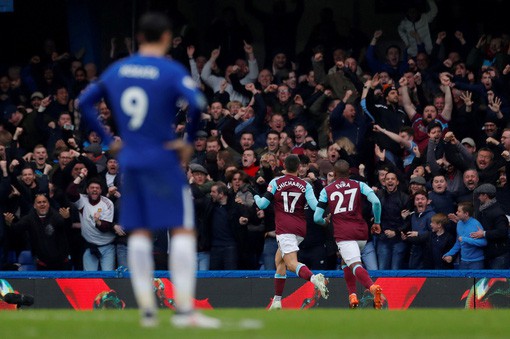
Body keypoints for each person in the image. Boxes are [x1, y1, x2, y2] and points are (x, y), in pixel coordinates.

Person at [77, 12, 220, 328]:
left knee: (139, 232)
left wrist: (106, 141)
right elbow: (197, 102)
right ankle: (183, 311)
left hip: (131, 160)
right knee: (180, 228)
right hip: (164, 159)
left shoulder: (117, 70)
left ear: (139, 38)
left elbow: (84, 103)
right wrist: (186, 139)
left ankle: (147, 311)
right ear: (167, 37)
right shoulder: (169, 69)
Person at [254, 154, 329, 310]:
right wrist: (324, 214)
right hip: (300, 229)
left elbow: (262, 204)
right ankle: (277, 301)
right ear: (298, 167)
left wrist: (254, 193)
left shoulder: (276, 182)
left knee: (290, 263)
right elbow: (315, 207)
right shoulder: (305, 185)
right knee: (279, 261)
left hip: (284, 228)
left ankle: (315, 279)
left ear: (284, 166)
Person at [314, 160, 384, 309]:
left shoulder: (327, 190)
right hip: (361, 232)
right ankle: (352, 296)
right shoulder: (360, 185)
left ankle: (372, 288)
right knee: (345, 262)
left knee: (354, 264)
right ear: (349, 173)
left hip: (344, 234)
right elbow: (376, 202)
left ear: (335, 172)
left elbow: (316, 217)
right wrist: (377, 221)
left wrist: (325, 222)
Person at [444, 202, 487, 269]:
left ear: (466, 214)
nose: (456, 213)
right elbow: (458, 243)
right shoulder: (459, 224)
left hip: (476, 262)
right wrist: (449, 254)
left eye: (459, 211)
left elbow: (483, 242)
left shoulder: (476, 224)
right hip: (463, 261)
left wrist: (465, 239)